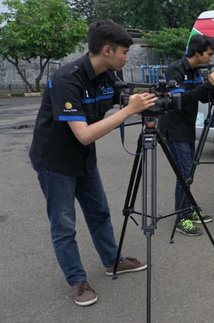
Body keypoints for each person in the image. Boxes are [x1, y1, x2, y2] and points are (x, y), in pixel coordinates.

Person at [29, 19, 154, 306]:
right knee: (64, 224)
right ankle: (77, 281)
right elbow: (84, 134)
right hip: (55, 161)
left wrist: (134, 100)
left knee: (99, 212)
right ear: (107, 50)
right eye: (124, 52)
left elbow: (120, 95)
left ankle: (112, 260)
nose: (127, 58)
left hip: (84, 159)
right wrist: (130, 111)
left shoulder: (107, 74)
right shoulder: (66, 79)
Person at [159, 35, 214, 236]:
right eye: (209, 54)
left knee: (189, 173)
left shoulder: (197, 71)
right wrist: (206, 84)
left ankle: (187, 209)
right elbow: (180, 100)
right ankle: (181, 218)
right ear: (197, 52)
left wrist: (213, 86)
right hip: (174, 127)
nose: (211, 58)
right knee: (184, 174)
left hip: (187, 128)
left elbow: (202, 96)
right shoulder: (175, 70)